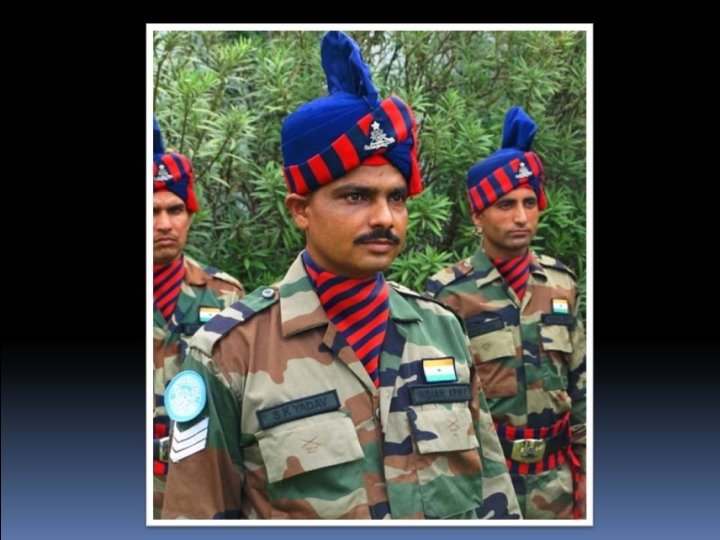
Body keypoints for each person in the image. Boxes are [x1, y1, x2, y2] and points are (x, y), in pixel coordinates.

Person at [161, 31, 520, 520]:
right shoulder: (229, 353)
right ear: (300, 210)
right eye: (356, 197)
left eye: (396, 197)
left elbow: (495, 497)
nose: (384, 218)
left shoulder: (441, 329)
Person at [425, 106, 586, 519]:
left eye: (530, 202)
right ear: (478, 216)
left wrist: (587, 469)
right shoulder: (447, 294)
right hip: (485, 483)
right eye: (505, 204)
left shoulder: (560, 284)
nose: (521, 216)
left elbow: (581, 382)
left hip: (557, 482)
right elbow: (437, 404)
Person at [152, 116, 244, 518]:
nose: (164, 224)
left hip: (199, 485)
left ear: (190, 214)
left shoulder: (225, 295)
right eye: (152, 211)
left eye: (175, 209)